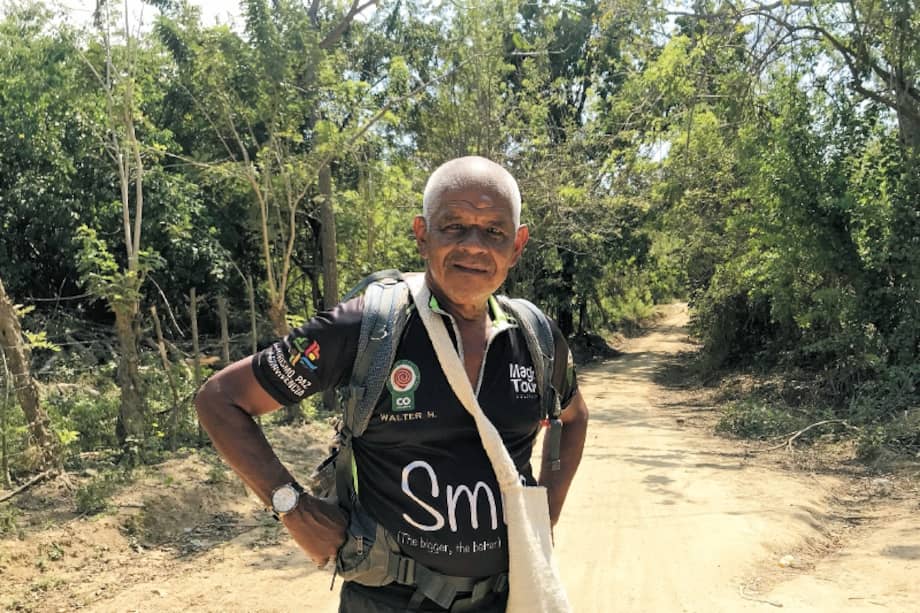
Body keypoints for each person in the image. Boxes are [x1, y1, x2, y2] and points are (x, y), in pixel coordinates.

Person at [195, 156, 590, 612]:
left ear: (517, 245)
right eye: (454, 226)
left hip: (507, 597)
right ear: (423, 235)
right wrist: (292, 506)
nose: (474, 246)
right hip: (389, 600)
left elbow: (574, 416)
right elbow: (220, 399)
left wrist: (546, 514)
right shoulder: (369, 326)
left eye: (493, 231)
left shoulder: (535, 335)